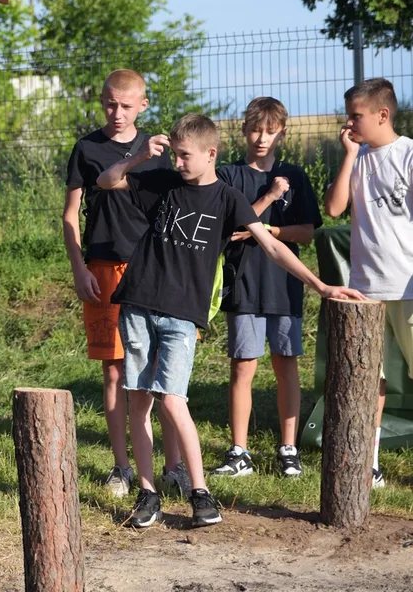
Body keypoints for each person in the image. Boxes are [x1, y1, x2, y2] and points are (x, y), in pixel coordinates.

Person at [99, 113, 362, 528]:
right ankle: (148, 492)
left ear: (210, 154)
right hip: (137, 304)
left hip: (183, 316)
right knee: (140, 399)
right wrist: (136, 157)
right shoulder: (163, 182)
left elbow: (273, 248)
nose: (179, 163)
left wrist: (320, 285)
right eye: (176, 155)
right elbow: (106, 181)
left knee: (172, 399)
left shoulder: (228, 198)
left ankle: (199, 490)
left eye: (186, 156)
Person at [62, 69, 187, 498]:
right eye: (110, 104)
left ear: (143, 106)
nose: (117, 113)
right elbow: (70, 216)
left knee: (160, 372)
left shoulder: (160, 150)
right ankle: (121, 467)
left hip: (152, 270)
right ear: (101, 101)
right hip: (102, 270)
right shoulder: (87, 148)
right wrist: (79, 267)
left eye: (126, 106)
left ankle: (174, 467)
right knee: (114, 372)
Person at [213, 97, 322, 479]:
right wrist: (270, 198)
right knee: (243, 367)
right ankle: (238, 451)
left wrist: (270, 230)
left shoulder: (296, 174)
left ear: (282, 134)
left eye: (270, 131)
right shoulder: (227, 176)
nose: (262, 138)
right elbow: (232, 229)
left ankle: (288, 449)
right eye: (256, 129)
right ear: (243, 130)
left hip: (285, 285)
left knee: (286, 365)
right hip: (243, 285)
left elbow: (306, 233)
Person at [323, 77, 413, 489]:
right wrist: (349, 156)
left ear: (382, 114)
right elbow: (335, 207)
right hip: (365, 289)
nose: (349, 122)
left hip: (408, 288)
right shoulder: (355, 157)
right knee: (366, 380)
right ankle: (368, 462)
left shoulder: (408, 153)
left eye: (356, 115)